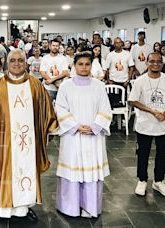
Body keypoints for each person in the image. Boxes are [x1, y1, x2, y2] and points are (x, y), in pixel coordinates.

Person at [0, 49, 58, 221]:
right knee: (4, 172)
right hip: (3, 141)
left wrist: (46, 133)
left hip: (29, 143)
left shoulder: (36, 85)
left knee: (27, 172)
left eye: (20, 60)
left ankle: (23, 209)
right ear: (7, 63)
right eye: (12, 60)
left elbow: (46, 112)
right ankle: (3, 210)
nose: (16, 64)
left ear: (26, 63)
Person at [55, 52, 112, 218]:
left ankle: (90, 207)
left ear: (91, 66)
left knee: (91, 172)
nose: (84, 67)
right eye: (80, 64)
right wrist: (75, 126)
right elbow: (60, 108)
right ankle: (69, 207)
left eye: (87, 64)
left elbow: (105, 109)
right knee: (71, 171)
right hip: (72, 136)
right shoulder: (65, 86)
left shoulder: (99, 86)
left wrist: (95, 126)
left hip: (93, 136)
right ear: (74, 65)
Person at [129, 52, 165, 198]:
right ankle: (142, 180)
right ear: (147, 63)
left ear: (162, 64)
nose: (155, 64)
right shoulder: (140, 81)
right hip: (145, 125)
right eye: (152, 61)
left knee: (163, 154)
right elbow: (133, 101)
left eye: (158, 62)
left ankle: (159, 181)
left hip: (164, 125)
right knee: (143, 154)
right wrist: (152, 111)